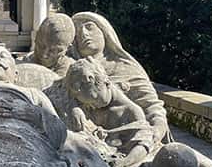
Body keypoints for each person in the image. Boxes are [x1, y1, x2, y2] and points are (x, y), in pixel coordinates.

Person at [72, 12, 170, 146]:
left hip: (130, 138)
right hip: (86, 142)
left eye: (89, 27)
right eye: (77, 33)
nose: (83, 34)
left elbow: (152, 107)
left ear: (105, 32)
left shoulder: (126, 67)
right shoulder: (71, 72)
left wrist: (157, 129)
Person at [64, 58, 157, 167]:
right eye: (87, 104)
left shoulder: (131, 112)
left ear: (107, 83)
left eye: (95, 100)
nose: (92, 107)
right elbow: (60, 86)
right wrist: (75, 107)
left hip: (119, 166)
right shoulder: (89, 99)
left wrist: (123, 163)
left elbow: (144, 145)